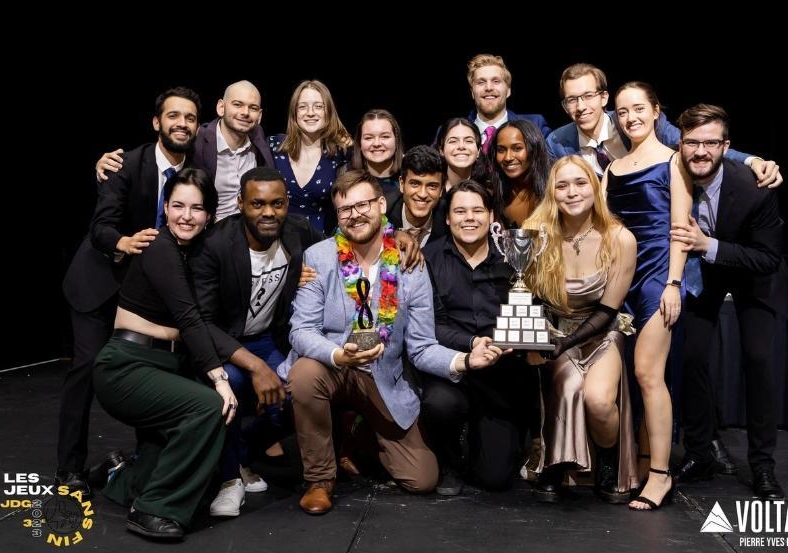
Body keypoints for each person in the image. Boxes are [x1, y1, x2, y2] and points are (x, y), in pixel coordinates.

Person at [278, 170, 505, 515]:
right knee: (305, 373)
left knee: (422, 479)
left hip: (382, 376)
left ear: (381, 204)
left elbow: (422, 346)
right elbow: (301, 331)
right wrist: (339, 354)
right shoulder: (319, 258)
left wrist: (465, 361)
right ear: (337, 216)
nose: (355, 214)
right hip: (331, 366)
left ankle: (357, 436)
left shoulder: (409, 262)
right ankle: (320, 480)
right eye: (345, 209)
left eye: (363, 204)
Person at [59, 87, 202, 497]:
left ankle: (144, 469)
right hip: (100, 283)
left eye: (190, 118)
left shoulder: (195, 172)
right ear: (157, 122)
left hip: (149, 295)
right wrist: (122, 243)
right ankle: (68, 469)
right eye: (173, 116)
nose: (182, 123)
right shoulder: (124, 164)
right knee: (85, 369)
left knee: (153, 371)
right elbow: (101, 225)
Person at [92, 168, 236, 540]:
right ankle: (152, 510)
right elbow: (189, 318)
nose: (186, 216)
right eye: (178, 206)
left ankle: (121, 479)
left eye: (197, 208)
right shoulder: (159, 246)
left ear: (209, 215)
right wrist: (219, 379)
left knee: (163, 439)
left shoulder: (192, 254)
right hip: (126, 365)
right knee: (206, 407)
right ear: (165, 208)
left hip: (161, 365)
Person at [670, 104, 788, 499]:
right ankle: (700, 452)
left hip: (755, 275)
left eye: (710, 142)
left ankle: (762, 466)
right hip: (704, 274)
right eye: (692, 142)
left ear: (726, 146)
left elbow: (768, 258)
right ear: (680, 142)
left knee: (758, 360)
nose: (700, 151)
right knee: (691, 357)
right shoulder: (672, 175)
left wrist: (710, 245)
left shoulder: (754, 187)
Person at [189, 166, 325, 517]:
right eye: (258, 204)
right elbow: (202, 322)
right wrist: (256, 366)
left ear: (287, 203)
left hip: (270, 337)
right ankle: (230, 480)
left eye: (277, 204)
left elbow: (343, 245)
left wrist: (395, 236)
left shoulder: (299, 231)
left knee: (301, 389)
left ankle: (238, 455)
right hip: (225, 342)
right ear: (240, 204)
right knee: (230, 389)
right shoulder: (214, 245)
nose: (268, 213)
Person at [522, 156, 638, 503]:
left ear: (595, 187)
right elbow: (526, 296)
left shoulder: (620, 238)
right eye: (562, 185)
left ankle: (607, 460)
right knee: (569, 384)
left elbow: (607, 311)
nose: (572, 192)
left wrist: (565, 344)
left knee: (599, 401)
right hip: (555, 330)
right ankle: (555, 463)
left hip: (601, 333)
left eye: (580, 183)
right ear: (552, 193)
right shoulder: (536, 234)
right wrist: (534, 339)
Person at [604, 82, 691, 511]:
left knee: (648, 374)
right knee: (632, 380)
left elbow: (680, 230)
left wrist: (674, 283)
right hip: (621, 282)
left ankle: (661, 474)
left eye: (639, 108)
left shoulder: (673, 162)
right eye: (622, 111)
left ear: (657, 111)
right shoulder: (612, 169)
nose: (631, 117)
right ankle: (639, 460)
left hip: (658, 279)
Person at [422, 180, 534, 495]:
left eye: (477, 210)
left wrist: (514, 338)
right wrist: (471, 345)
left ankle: (493, 440)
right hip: (452, 368)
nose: (468, 218)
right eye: (460, 211)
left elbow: (527, 309)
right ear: (447, 218)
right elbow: (432, 323)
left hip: (500, 372)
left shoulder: (513, 256)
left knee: (494, 479)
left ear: (491, 216)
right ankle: (449, 459)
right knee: (439, 404)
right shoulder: (428, 258)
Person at [547, 63, 783, 188]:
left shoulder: (634, 123)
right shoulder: (557, 143)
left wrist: (752, 161)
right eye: (572, 99)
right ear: (564, 105)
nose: (581, 106)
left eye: (588, 96)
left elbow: (696, 146)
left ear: (604, 98)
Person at [95, 80, 275, 221]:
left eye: (252, 108)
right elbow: (166, 144)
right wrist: (108, 165)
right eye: (237, 104)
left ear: (259, 116)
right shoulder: (196, 140)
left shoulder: (260, 141)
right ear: (221, 107)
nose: (245, 112)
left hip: (246, 231)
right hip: (207, 234)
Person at [270, 80, 351, 234]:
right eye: (302, 106)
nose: (310, 112)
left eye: (318, 106)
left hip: (319, 242)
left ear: (328, 112)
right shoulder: (274, 146)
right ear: (294, 112)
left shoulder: (340, 152)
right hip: (276, 240)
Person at [464, 54, 552, 152]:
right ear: (472, 92)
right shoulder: (454, 132)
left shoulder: (535, 125)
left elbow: (552, 164)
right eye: (481, 82)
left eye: (496, 81)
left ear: (508, 90)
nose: (488, 88)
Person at [489, 119, 550, 227]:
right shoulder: (493, 192)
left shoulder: (556, 184)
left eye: (517, 148)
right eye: (501, 150)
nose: (508, 157)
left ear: (534, 148)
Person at [385, 145, 447, 247]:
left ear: (441, 190)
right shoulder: (383, 212)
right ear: (401, 184)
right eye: (415, 184)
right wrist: (393, 234)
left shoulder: (449, 218)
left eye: (432, 186)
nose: (422, 194)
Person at [349, 108, 404, 190]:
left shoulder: (410, 173)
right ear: (359, 143)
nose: (376, 144)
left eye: (385, 137)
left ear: (396, 140)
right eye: (369, 138)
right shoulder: (345, 175)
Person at [435, 117, 491, 192]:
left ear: (478, 151)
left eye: (468, 141)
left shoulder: (490, 191)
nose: (461, 146)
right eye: (453, 141)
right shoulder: (432, 189)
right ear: (441, 150)